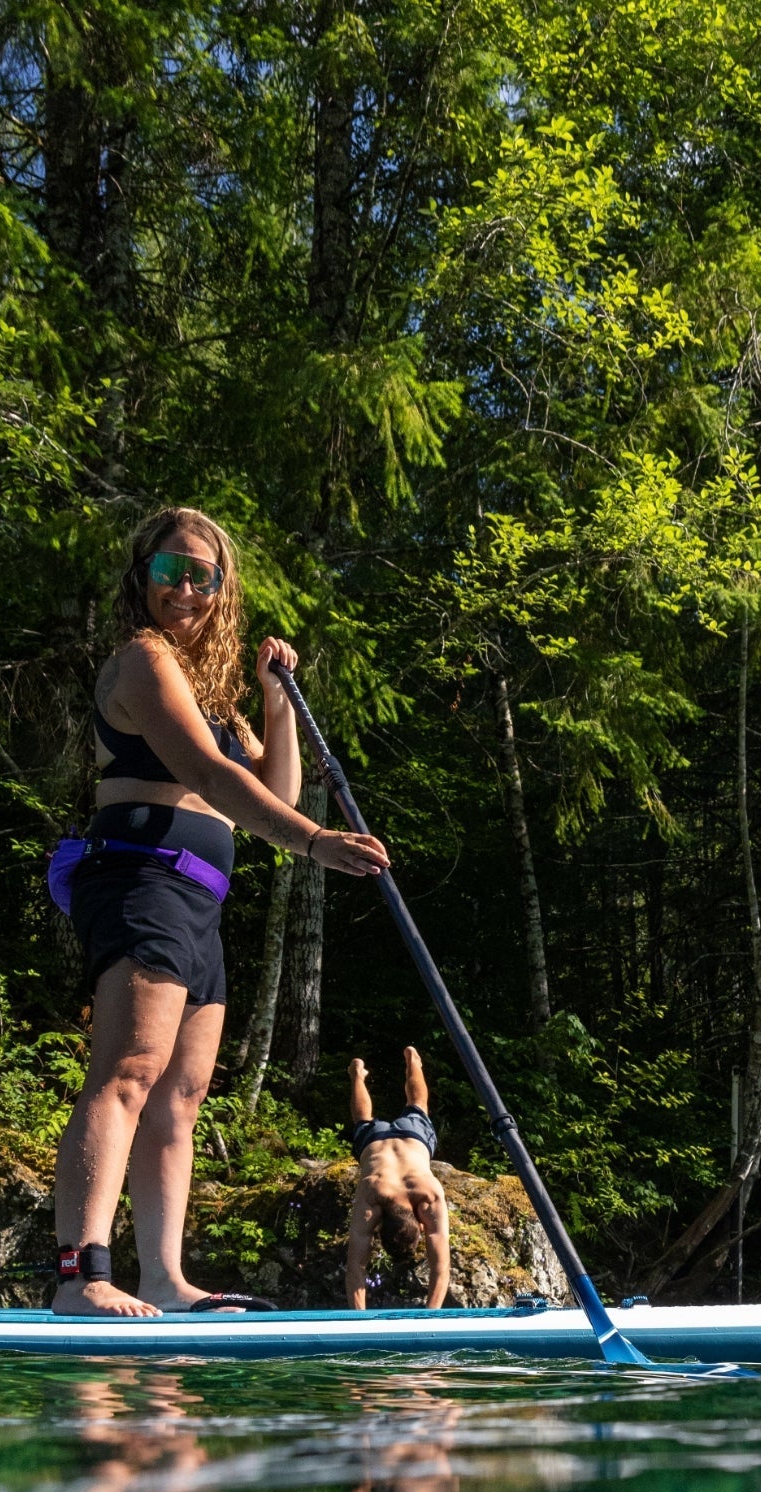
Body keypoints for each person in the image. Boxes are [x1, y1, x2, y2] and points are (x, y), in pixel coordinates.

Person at [51, 508, 388, 1317]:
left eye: (202, 576)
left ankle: (164, 1278)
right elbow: (206, 773)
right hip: (141, 878)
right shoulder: (142, 659)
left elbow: (276, 793)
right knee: (129, 1069)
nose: (185, 589)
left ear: (221, 590)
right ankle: (79, 1276)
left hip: (199, 898)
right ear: (143, 578)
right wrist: (314, 843)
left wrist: (276, 701)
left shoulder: (216, 702)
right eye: (170, 570)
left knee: (182, 1093)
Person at [345, 1046, 450, 1309]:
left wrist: (361, 1320)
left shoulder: (428, 1195)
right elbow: (354, 1268)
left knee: (418, 1106)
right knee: (363, 1120)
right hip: (374, 1142)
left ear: (420, 1224)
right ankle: (359, 1075)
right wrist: (430, 1316)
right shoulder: (372, 1193)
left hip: (414, 1139)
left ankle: (409, 1063)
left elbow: (440, 1268)